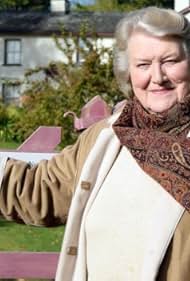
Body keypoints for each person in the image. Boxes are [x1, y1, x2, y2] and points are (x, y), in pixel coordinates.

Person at [0, 6, 190, 281]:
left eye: (171, 61)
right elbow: (44, 188)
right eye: (143, 64)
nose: (157, 76)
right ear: (128, 72)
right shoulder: (106, 137)